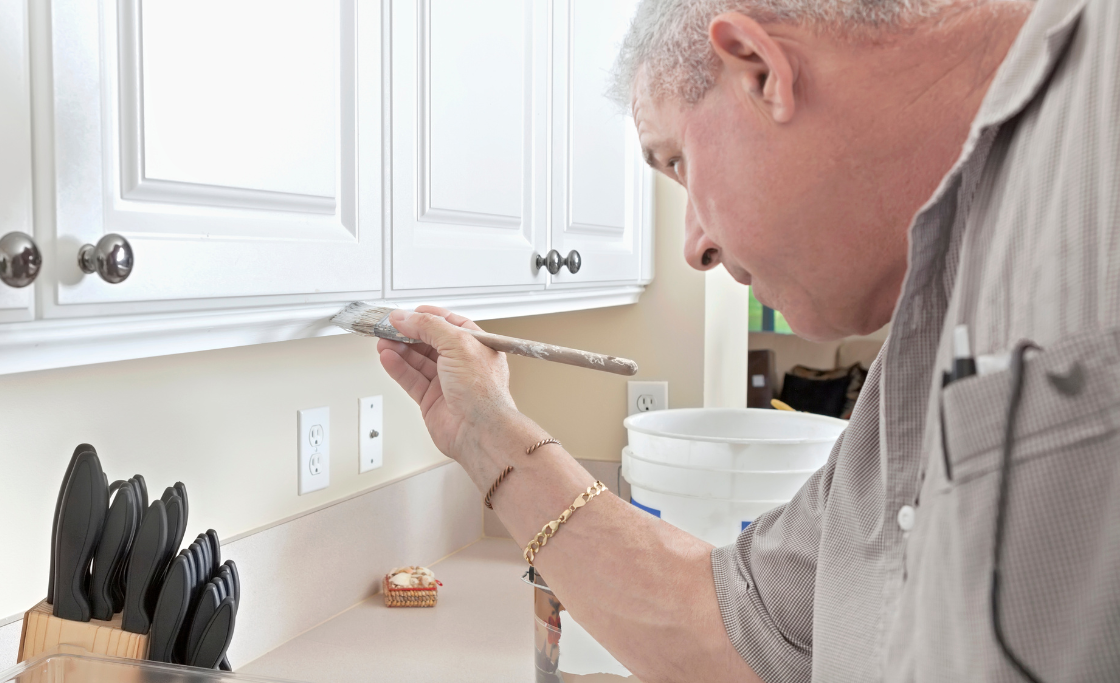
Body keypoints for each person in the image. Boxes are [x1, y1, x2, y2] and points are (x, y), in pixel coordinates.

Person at [374, 0, 1120, 681]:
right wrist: (484, 430)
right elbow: (734, 628)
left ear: (759, 71)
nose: (694, 247)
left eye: (677, 162)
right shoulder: (917, 353)